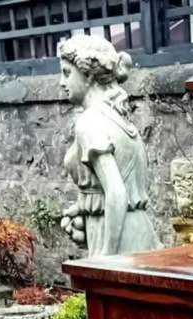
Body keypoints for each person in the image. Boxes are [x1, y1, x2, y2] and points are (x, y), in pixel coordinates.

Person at [58, 36, 159, 257]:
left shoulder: (89, 122)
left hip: (118, 245)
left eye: (67, 73)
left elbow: (116, 192)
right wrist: (85, 207)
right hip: (138, 233)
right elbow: (113, 190)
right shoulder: (120, 119)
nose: (61, 83)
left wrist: (105, 258)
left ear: (88, 75)